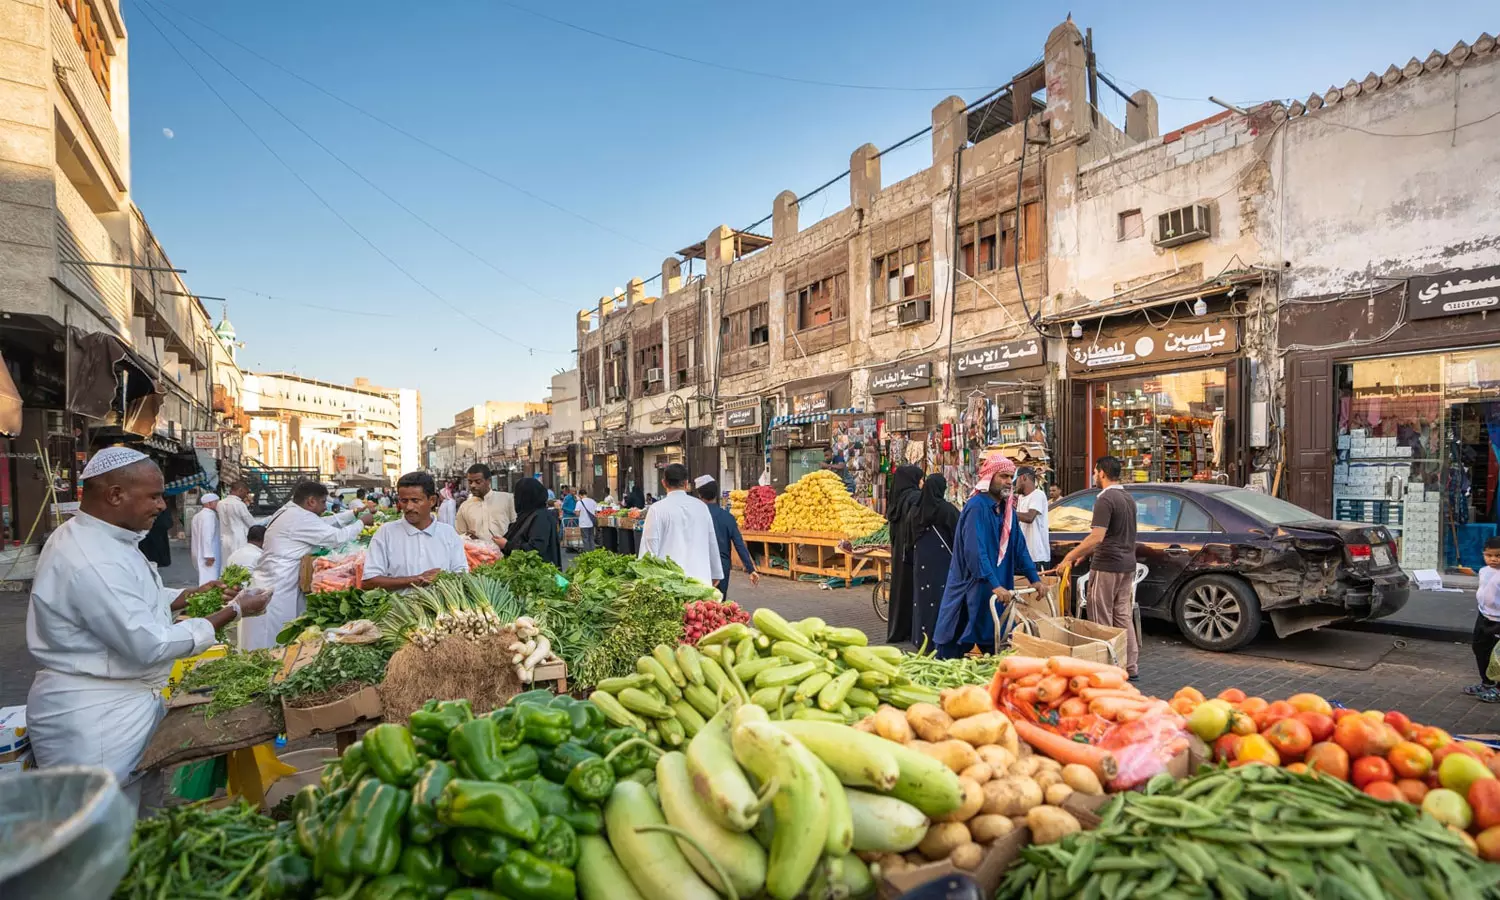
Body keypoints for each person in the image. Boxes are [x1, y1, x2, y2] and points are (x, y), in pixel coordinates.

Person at [26, 447, 270, 805]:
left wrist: (190, 594)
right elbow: (149, 643)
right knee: (109, 832)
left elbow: (134, 597)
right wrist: (234, 610)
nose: (161, 506)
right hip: (96, 719)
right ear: (114, 495)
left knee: (139, 821)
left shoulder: (103, 539)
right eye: (154, 496)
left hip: (120, 704)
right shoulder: (93, 557)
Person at [243, 481, 372, 650]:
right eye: (323, 502)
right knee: (274, 629)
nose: (325, 506)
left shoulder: (291, 511)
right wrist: (361, 523)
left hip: (276, 574)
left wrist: (353, 513)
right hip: (279, 579)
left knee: (283, 624)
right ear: (311, 501)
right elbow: (337, 538)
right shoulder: (299, 518)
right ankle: (269, 663)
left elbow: (324, 523)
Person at [935, 454, 1040, 659]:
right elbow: (975, 551)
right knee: (952, 646)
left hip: (995, 589)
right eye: (1003, 476)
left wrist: (1034, 578)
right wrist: (993, 582)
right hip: (971, 587)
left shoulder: (1006, 510)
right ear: (989, 477)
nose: (1009, 481)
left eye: (1011, 477)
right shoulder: (977, 507)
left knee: (995, 644)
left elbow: (1019, 547)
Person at [1050, 455, 1140, 679]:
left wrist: (1069, 556)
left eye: (1094, 471)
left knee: (1101, 618)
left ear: (1102, 472)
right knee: (1122, 617)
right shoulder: (1128, 498)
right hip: (1127, 565)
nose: (1093, 476)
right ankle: (1130, 666)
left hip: (1108, 565)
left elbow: (1097, 536)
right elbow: (1113, 534)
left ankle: (1109, 667)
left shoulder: (1105, 499)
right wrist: (1084, 555)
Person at [363, 472, 469, 590]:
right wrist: (414, 580)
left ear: (432, 500)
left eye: (415, 500)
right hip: (397, 607)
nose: (409, 507)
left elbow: (463, 575)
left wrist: (442, 577)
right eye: (404, 501)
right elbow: (369, 581)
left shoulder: (448, 533)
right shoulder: (386, 533)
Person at [639, 464, 722, 585]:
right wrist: (716, 573)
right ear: (686, 484)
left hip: (670, 585)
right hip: (701, 582)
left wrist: (645, 580)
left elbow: (649, 548)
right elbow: (711, 542)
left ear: (664, 483)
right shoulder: (701, 507)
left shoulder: (657, 509)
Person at [911, 474, 960, 648]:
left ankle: (922, 640)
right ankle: (940, 640)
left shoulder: (916, 510)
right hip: (942, 564)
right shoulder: (947, 510)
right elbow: (959, 536)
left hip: (922, 564)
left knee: (923, 600)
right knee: (941, 601)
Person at [695, 475, 759, 598]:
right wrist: (751, 569)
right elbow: (739, 544)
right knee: (719, 605)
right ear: (716, 494)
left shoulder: (695, 516)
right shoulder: (727, 517)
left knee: (700, 606)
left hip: (700, 565)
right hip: (722, 567)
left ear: (700, 495)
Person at [884, 464, 925, 644]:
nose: (923, 482)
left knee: (900, 589)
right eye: (921, 479)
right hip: (911, 553)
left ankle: (899, 629)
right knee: (913, 590)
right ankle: (912, 630)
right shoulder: (914, 498)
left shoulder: (896, 500)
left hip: (898, 553)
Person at [499, 477, 563, 567]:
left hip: (538, 575)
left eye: (516, 496)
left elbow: (535, 549)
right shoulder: (528, 515)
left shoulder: (540, 517)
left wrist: (506, 545)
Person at [1467, 537, 1500, 702]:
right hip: (1483, 616)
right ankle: (1487, 683)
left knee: (1498, 657)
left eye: (1498, 556)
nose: (1493, 559)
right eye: (1489, 555)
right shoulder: (1484, 571)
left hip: (1498, 622)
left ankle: (1499, 689)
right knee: (1480, 649)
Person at [456, 463, 517, 544]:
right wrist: (467, 537)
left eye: (478, 481)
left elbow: (517, 527)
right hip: (477, 554)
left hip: (506, 554)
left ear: (488, 481)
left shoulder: (507, 499)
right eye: (470, 482)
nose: (473, 485)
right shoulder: (465, 507)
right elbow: (460, 535)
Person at [1015, 467, 1050, 568]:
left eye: (1016, 481)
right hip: (1024, 555)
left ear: (1023, 478)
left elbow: (1029, 517)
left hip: (1037, 557)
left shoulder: (1038, 495)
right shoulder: (1021, 498)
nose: (1015, 485)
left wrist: (1009, 512)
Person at [217, 481, 256, 564]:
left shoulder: (220, 503)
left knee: (226, 563)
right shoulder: (239, 504)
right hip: (239, 539)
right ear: (240, 490)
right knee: (238, 564)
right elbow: (251, 524)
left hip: (224, 539)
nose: (246, 495)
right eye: (245, 492)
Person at [190, 492, 222, 585]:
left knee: (205, 577)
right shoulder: (209, 516)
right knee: (210, 579)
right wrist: (208, 555)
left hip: (200, 552)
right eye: (216, 502)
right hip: (209, 554)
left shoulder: (198, 515)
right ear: (209, 503)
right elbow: (206, 535)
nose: (218, 504)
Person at [576, 487, 599, 552]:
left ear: (580, 495)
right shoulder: (593, 501)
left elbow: (577, 514)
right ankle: (593, 552)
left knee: (585, 539)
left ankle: (587, 553)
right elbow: (596, 512)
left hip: (583, 523)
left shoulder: (579, 503)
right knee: (591, 538)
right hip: (591, 523)